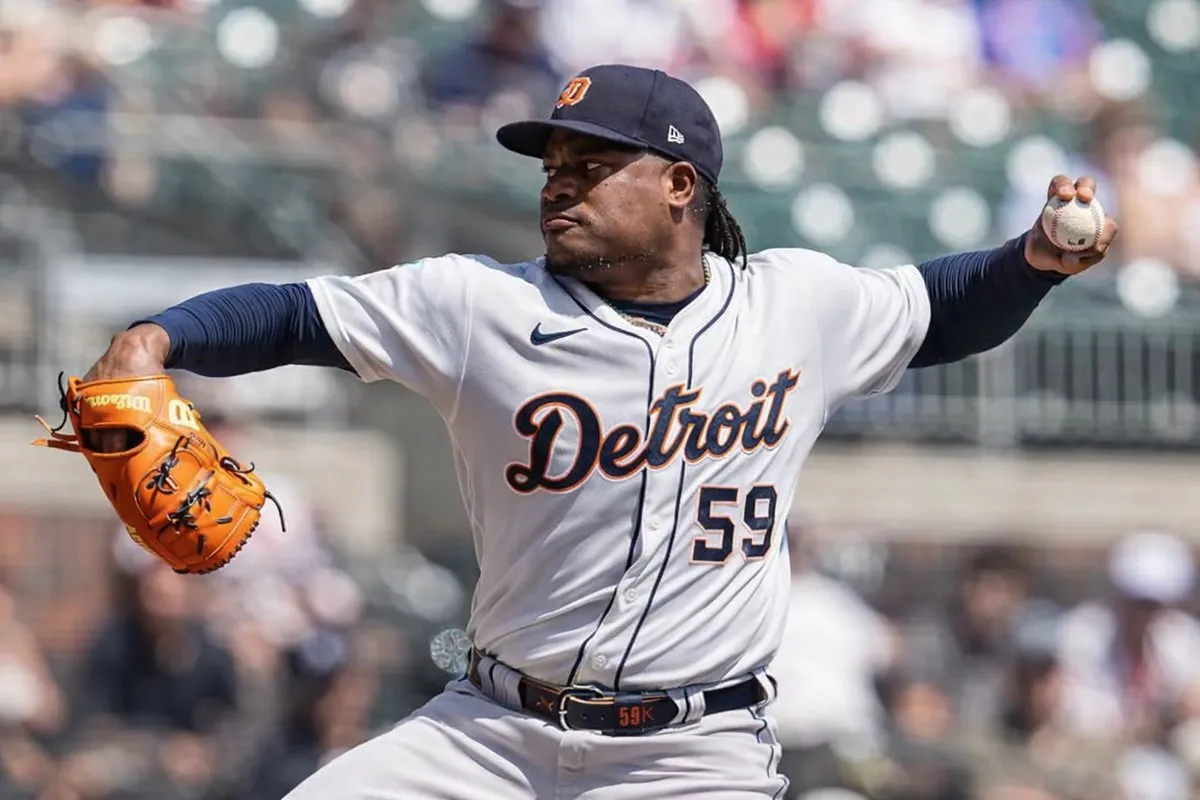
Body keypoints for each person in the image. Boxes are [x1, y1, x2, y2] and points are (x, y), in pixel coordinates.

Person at [76, 64, 1117, 798]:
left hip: (692, 754)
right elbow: (295, 312)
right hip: (489, 733)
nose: (558, 179)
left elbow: (945, 304)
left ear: (679, 186)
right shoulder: (477, 306)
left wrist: (1033, 261)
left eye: (591, 160)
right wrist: (157, 337)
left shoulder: (795, 305)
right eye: (551, 163)